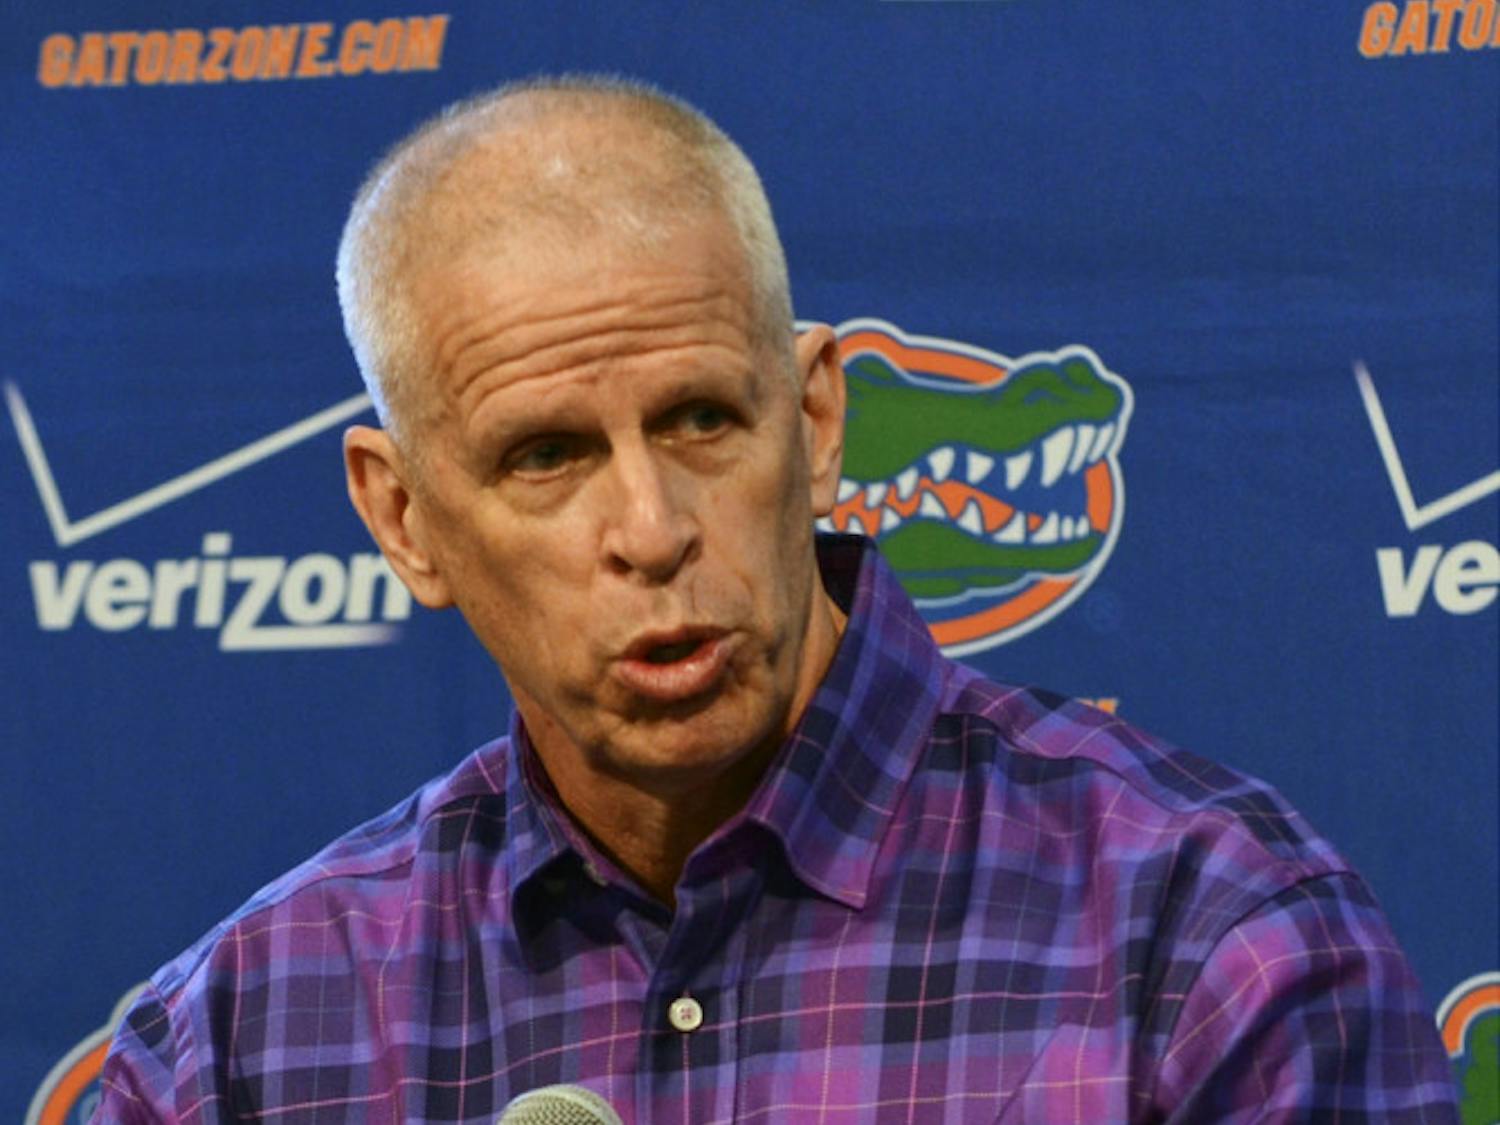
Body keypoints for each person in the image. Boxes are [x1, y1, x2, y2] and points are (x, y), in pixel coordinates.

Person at [94, 76, 1458, 1123]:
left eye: (699, 420)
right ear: (403, 517)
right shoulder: (241, 1043)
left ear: (812, 422)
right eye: (548, 456)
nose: (650, 529)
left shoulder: (1212, 935)